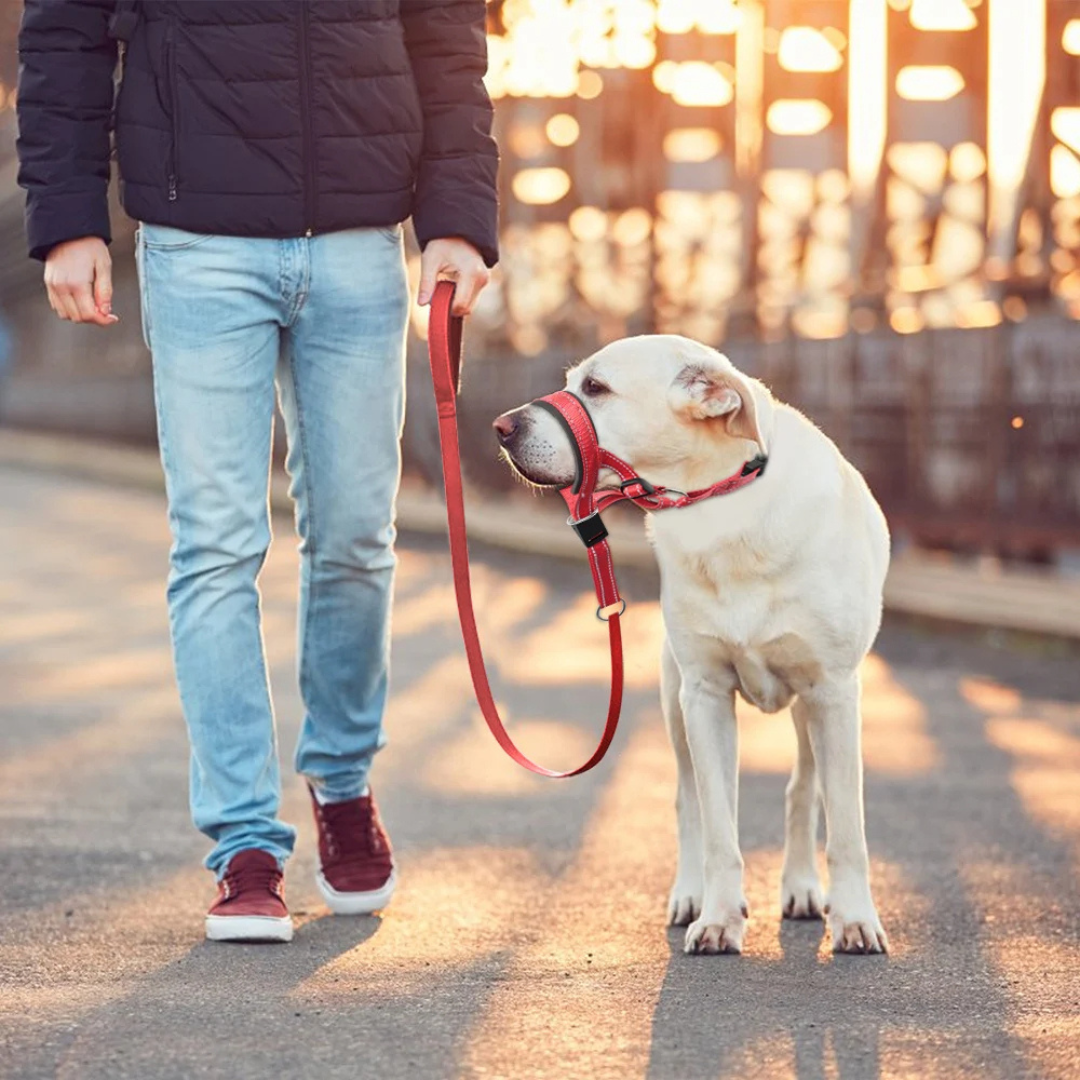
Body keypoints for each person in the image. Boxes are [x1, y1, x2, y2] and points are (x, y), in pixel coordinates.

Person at [16, 0, 498, 943]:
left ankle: (345, 783)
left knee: (359, 535)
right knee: (216, 544)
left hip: (362, 242)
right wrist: (67, 216)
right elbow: (63, 34)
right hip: (197, 246)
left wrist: (459, 220)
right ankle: (244, 844)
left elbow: (446, 37)